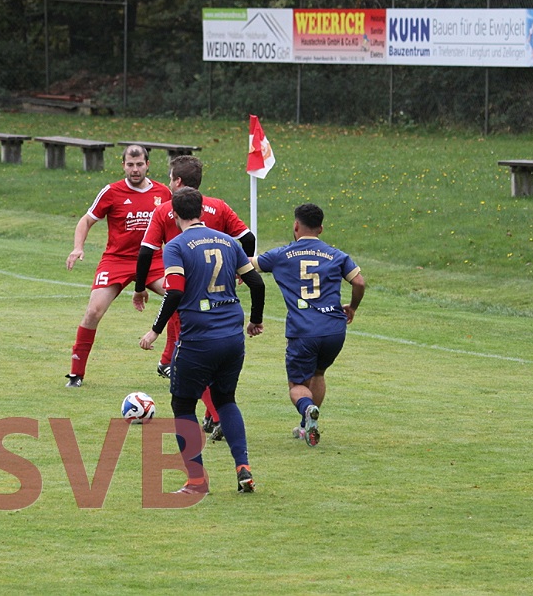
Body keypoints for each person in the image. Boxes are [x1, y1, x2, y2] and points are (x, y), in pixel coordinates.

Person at [139, 188, 266, 495]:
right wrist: (255, 320)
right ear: (201, 210)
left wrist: (155, 330)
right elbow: (256, 283)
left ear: (174, 214)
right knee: (226, 399)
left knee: (183, 403)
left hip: (199, 336)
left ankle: (196, 481)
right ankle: (243, 467)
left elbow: (175, 292)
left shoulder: (175, 246)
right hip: (232, 336)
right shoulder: (228, 242)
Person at [132, 154, 255, 441]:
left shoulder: (166, 210)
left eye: (170, 177)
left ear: (177, 181)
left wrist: (139, 288)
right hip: (222, 301)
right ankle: (216, 414)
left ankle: (215, 414)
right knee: (212, 361)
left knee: (188, 362)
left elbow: (147, 251)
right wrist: (242, 269)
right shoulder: (219, 206)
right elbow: (247, 238)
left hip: (186, 299)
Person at [254, 203, 365, 447]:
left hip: (304, 330)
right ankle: (307, 426)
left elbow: (250, 265)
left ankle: (308, 409)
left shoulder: (282, 255)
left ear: (296, 225)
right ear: (321, 229)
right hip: (335, 329)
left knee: (297, 386)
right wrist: (353, 307)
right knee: (318, 373)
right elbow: (359, 282)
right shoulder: (336, 255)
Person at [65, 145, 172, 387]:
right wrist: (78, 247)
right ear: (123, 165)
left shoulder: (163, 193)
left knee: (178, 298)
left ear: (147, 165)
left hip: (154, 261)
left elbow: (174, 227)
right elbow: (86, 220)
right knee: (93, 311)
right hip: (117, 260)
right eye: (130, 165)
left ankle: (167, 362)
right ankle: (76, 373)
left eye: (139, 164)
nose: (135, 169)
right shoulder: (111, 191)